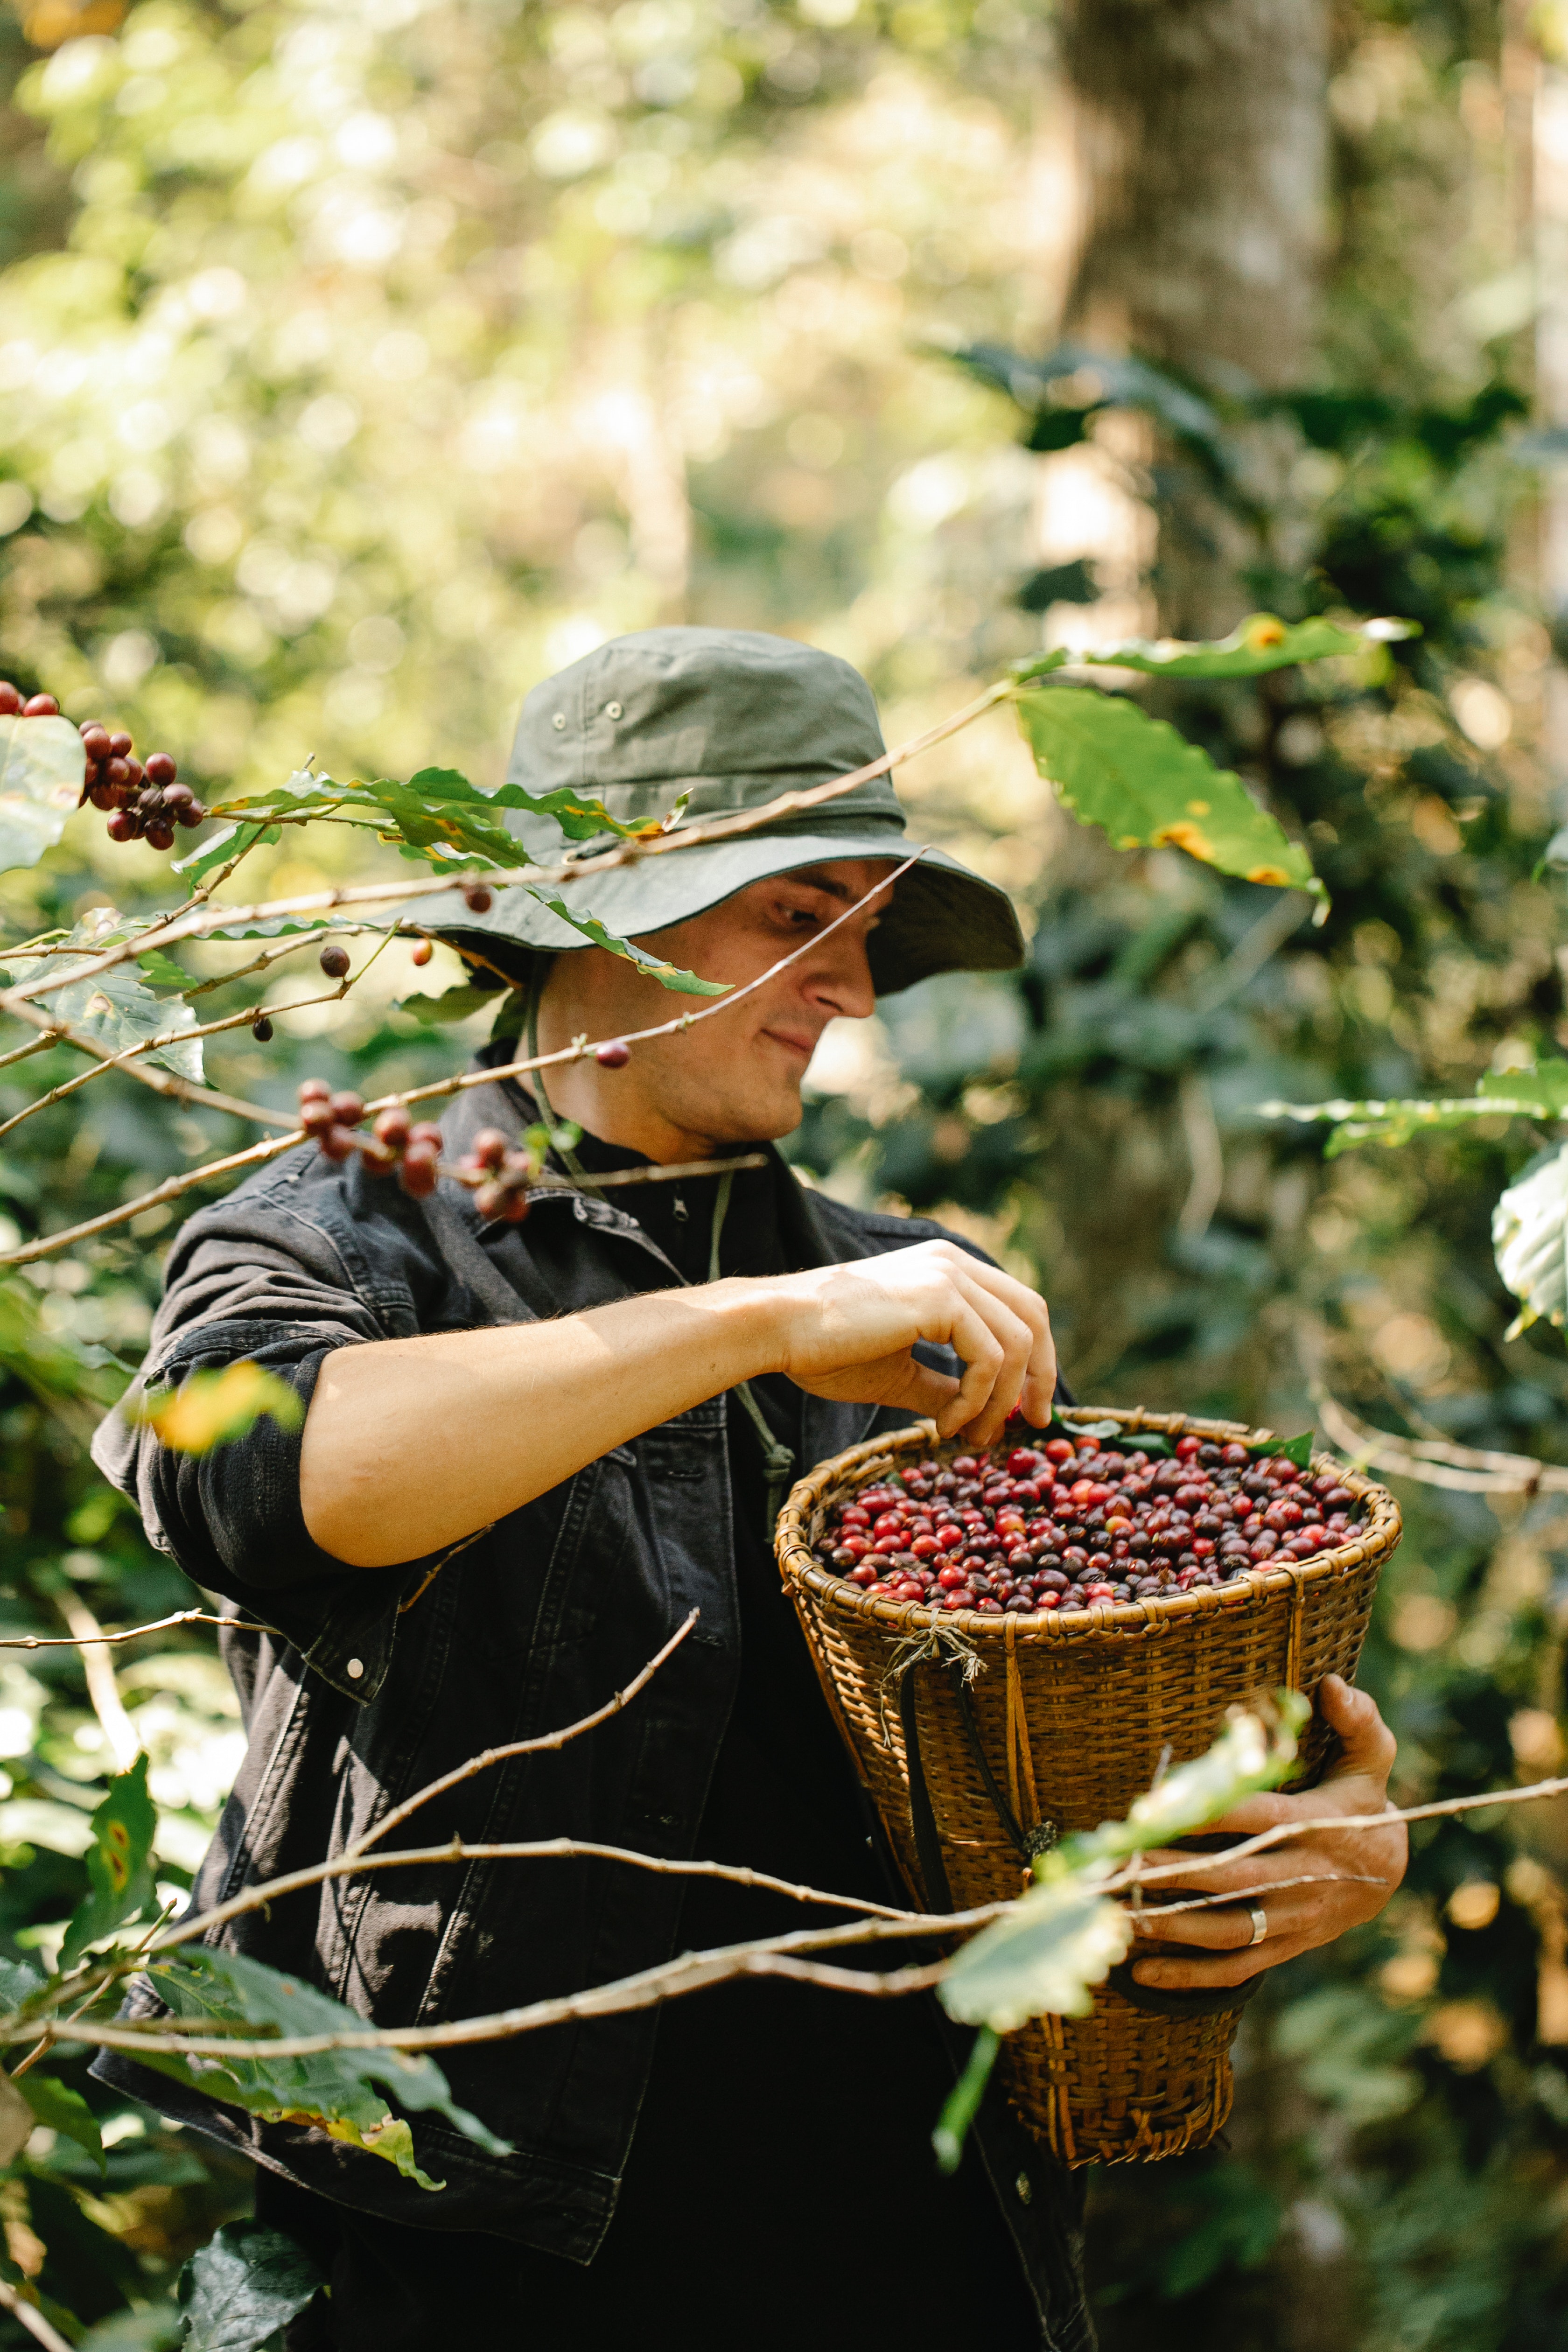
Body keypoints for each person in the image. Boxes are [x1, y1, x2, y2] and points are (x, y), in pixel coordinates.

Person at [91, 628, 1406, 2351]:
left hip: (932, 2261)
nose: (855, 989)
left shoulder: (927, 1301)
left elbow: (1083, 1725)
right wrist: (758, 1327)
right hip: (489, 2280)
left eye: (870, 933)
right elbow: (266, 1481)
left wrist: (1319, 1831)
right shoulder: (348, 1234)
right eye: (799, 919)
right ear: (590, 907)